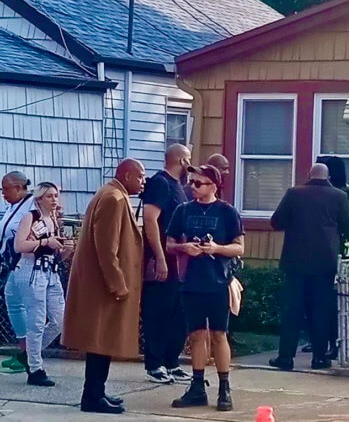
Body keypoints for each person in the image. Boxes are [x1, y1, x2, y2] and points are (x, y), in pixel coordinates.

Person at [62, 159, 145, 415]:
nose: (143, 182)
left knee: (103, 341)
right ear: (128, 175)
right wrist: (118, 284)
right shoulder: (114, 199)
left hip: (100, 285)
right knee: (100, 341)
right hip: (103, 287)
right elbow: (106, 248)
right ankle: (92, 396)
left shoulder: (112, 193)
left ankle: (97, 391)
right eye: (140, 177)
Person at [167, 165, 244, 413]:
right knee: (197, 334)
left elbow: (239, 247)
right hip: (191, 281)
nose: (193, 186)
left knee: (219, 335)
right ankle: (197, 386)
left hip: (218, 281)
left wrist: (217, 248)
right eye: (191, 182)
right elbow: (169, 243)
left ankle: (224, 388)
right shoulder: (183, 210)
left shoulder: (227, 212)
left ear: (213, 185)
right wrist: (184, 247)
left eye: (198, 183)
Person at [269, 163, 349, 372]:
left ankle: (285, 358)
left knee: (292, 311)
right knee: (321, 310)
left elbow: (276, 222)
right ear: (328, 176)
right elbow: (347, 226)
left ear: (309, 174)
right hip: (325, 263)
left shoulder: (294, 193)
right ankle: (319, 357)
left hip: (295, 262)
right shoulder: (340, 197)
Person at [141, 144, 191, 384]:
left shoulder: (179, 187)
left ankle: (172, 361)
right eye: (188, 160)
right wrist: (160, 258)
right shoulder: (160, 183)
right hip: (161, 258)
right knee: (157, 312)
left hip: (179, 260)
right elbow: (150, 219)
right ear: (181, 161)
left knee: (178, 313)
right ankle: (154, 364)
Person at [14, 182, 65, 387]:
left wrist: (64, 248)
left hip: (50, 272)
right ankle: (35, 368)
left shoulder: (53, 220)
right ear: (39, 199)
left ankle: (29, 354)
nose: (54, 200)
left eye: (56, 196)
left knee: (59, 320)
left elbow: (55, 252)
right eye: (49, 196)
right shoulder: (31, 217)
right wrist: (44, 243)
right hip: (31, 271)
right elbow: (20, 245)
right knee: (35, 321)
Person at [0, 171, 34, 373]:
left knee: (26, 306)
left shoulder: (31, 207)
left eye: (6, 189)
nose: (3, 193)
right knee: (13, 303)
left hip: (24, 263)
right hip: (10, 263)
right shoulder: (12, 207)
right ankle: (24, 351)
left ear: (19, 187)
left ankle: (29, 353)